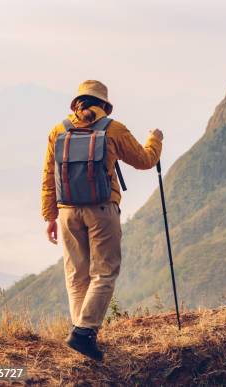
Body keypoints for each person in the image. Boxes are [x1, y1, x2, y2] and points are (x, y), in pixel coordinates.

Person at [41, 80, 163, 361]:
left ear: (76, 103)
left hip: (67, 211)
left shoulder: (58, 130)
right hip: (102, 210)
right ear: (104, 104)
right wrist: (155, 139)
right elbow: (145, 160)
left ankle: (80, 332)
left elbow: (48, 175)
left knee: (76, 274)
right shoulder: (113, 129)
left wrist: (50, 216)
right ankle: (84, 333)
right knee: (105, 272)